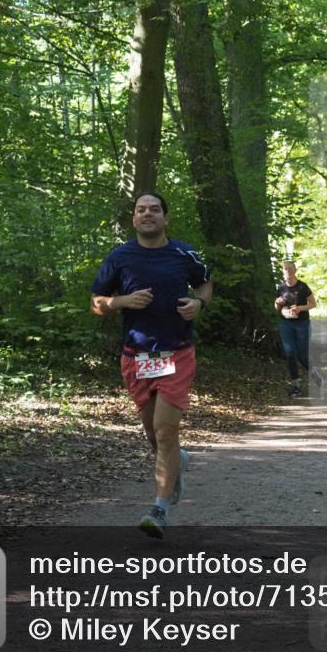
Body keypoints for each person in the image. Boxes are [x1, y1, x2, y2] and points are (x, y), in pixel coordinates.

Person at [91, 193, 212, 538]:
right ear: (133, 219)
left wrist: (199, 302)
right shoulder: (119, 258)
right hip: (136, 357)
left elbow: (205, 282)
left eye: (155, 209)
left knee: (164, 429)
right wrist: (122, 301)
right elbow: (96, 304)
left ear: (165, 218)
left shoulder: (184, 254)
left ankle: (159, 508)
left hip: (177, 353)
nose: (148, 214)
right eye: (141, 209)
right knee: (153, 434)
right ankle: (176, 462)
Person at [275, 259, 323, 396]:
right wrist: (278, 305)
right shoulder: (280, 287)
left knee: (302, 356)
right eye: (285, 269)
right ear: (283, 271)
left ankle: (315, 375)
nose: (288, 271)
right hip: (285, 323)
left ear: (295, 271)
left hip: (302, 323)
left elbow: (313, 304)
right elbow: (276, 305)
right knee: (290, 353)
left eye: (290, 269)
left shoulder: (302, 287)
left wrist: (300, 308)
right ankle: (296, 385)